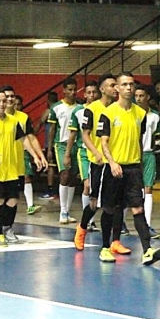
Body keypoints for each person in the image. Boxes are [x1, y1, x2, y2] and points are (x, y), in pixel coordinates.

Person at [98, 71, 160, 266]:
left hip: (134, 169)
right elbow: (104, 142)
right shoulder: (108, 113)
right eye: (124, 84)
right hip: (114, 169)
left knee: (137, 208)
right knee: (110, 209)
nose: (129, 87)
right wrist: (112, 162)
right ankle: (105, 247)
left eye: (131, 84)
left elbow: (138, 139)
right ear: (117, 88)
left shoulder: (140, 114)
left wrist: (140, 164)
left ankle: (147, 250)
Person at [0, 87, 45, 246]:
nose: (2, 104)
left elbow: (24, 139)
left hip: (12, 168)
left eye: (4, 101)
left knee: (12, 201)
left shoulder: (14, 121)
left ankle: (5, 227)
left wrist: (34, 156)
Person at [73, 74, 119, 256]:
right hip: (98, 163)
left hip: (116, 162)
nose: (115, 88)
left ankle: (110, 244)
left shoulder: (119, 109)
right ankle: (82, 228)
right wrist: (96, 152)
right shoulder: (91, 109)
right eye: (112, 85)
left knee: (113, 205)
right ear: (102, 89)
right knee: (95, 203)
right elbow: (85, 134)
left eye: (117, 85)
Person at [47, 78, 80, 223]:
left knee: (73, 178)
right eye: (70, 90)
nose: (72, 92)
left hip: (76, 144)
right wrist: (49, 149)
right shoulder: (56, 107)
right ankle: (62, 211)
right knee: (64, 174)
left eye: (75, 89)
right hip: (60, 144)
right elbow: (52, 130)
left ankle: (67, 209)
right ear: (64, 90)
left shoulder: (80, 107)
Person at [66, 81, 98, 221]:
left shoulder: (104, 109)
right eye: (89, 92)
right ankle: (88, 220)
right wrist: (67, 154)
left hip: (100, 153)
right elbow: (72, 134)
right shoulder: (78, 111)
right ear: (84, 94)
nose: (92, 95)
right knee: (88, 185)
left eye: (94, 92)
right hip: (84, 153)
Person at [134, 84, 160, 239]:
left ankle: (147, 225)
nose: (138, 99)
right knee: (130, 190)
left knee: (148, 188)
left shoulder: (155, 116)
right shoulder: (131, 114)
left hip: (148, 154)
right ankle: (122, 221)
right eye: (136, 96)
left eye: (141, 96)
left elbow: (156, 136)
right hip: (132, 156)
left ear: (148, 97)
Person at [12, 94, 42, 215]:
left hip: (23, 151)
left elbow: (30, 137)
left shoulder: (24, 118)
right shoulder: (3, 117)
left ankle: (30, 205)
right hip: (7, 153)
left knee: (26, 176)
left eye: (19, 104)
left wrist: (37, 155)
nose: (17, 106)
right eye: (15, 104)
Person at [39, 91, 59, 199]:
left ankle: (51, 190)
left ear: (48, 100)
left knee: (51, 167)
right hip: (59, 144)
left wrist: (32, 134)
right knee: (58, 167)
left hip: (50, 144)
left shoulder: (49, 111)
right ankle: (57, 190)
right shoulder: (60, 109)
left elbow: (40, 123)